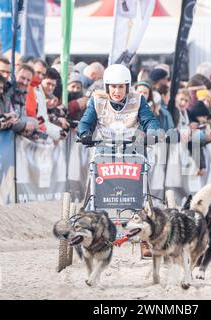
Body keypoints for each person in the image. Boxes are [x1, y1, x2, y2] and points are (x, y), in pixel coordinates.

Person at [78, 64, 159, 259]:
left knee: (142, 186)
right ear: (107, 87)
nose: (117, 91)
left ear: (127, 86)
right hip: (104, 148)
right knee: (94, 182)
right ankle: (90, 225)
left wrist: (153, 132)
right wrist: (85, 133)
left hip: (133, 148)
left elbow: (150, 120)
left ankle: (146, 238)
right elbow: (86, 121)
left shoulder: (138, 99)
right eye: (113, 86)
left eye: (121, 87)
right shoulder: (97, 101)